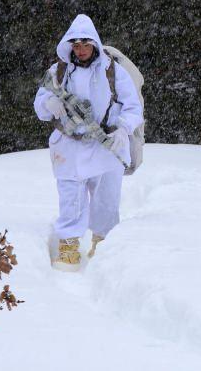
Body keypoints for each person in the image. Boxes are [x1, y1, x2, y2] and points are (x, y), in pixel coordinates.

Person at [34, 14, 143, 270]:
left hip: (106, 147)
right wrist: (50, 104)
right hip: (69, 145)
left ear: (94, 43)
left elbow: (133, 107)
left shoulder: (113, 71)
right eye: (76, 45)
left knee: (106, 200)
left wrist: (122, 130)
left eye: (85, 44)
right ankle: (68, 247)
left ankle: (102, 247)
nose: (81, 50)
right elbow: (40, 105)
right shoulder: (58, 71)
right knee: (70, 197)